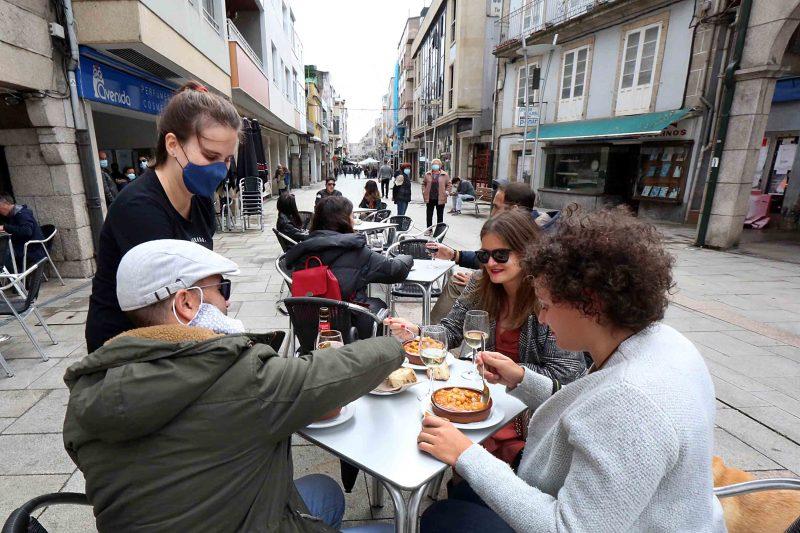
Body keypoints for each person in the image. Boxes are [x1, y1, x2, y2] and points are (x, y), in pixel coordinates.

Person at [418, 206, 725, 532]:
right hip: (608, 502)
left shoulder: (631, 402)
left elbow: (568, 528)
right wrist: (521, 378)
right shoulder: (664, 342)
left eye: (546, 305)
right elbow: (584, 402)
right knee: (465, 493)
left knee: (441, 516)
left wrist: (466, 454)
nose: (542, 318)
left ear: (589, 302)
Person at [65, 239, 401, 533]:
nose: (227, 303)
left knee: (324, 492)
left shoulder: (86, 395)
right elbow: (332, 372)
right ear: (186, 303)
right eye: (222, 289)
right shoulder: (241, 377)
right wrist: (395, 342)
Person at [85, 81, 240, 353]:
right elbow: (165, 309)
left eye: (227, 159)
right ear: (173, 145)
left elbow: (195, 281)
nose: (220, 169)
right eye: (210, 155)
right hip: (129, 344)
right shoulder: (139, 209)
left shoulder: (200, 199)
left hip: (179, 327)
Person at [385, 209, 585, 414]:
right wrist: (418, 332)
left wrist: (513, 372)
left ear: (527, 251)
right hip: (483, 398)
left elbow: (566, 375)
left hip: (530, 411)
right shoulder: (481, 283)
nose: (490, 263)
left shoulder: (550, 299)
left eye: (500, 255)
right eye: (484, 255)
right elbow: (452, 329)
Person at [285, 196, 412, 339]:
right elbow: (395, 271)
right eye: (351, 216)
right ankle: (377, 349)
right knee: (378, 304)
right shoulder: (357, 251)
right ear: (343, 220)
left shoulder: (302, 251)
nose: (353, 220)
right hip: (350, 330)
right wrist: (406, 257)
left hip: (309, 328)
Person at [0, 194, 45, 272]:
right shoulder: (14, 214)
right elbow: (17, 229)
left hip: (32, 249)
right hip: (23, 246)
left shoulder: (22, 214)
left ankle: (16, 278)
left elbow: (27, 231)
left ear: (6, 204)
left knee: (4, 254)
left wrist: (5, 227)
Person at [423, 158, 451, 227]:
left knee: (440, 216)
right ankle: (429, 230)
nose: (435, 165)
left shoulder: (445, 174)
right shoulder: (427, 174)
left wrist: (447, 192)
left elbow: (449, 184)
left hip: (440, 198)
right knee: (429, 215)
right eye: (433, 164)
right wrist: (424, 191)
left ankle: (439, 230)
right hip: (430, 198)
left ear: (440, 165)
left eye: (437, 164)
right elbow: (423, 184)